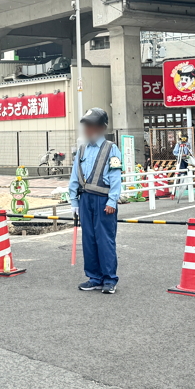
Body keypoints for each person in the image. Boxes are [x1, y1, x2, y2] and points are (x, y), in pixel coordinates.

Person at [68, 107, 123, 294]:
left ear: (102, 128)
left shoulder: (111, 149)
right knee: (89, 239)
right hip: (85, 200)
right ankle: (94, 277)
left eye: (92, 126)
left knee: (105, 239)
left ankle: (109, 279)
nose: (89, 130)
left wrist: (112, 201)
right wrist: (74, 201)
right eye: (87, 126)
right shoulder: (82, 150)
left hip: (103, 201)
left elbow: (116, 178)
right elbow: (75, 176)